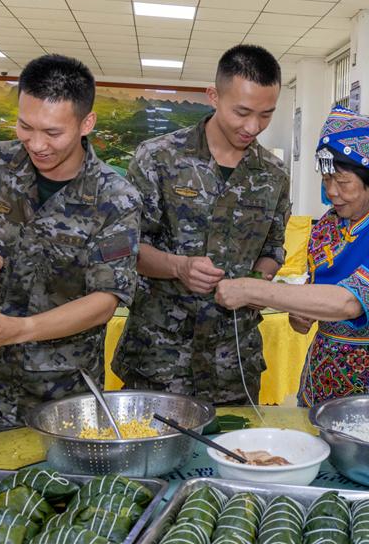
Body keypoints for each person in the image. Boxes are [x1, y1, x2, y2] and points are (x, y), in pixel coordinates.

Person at [0, 54, 141, 441]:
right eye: (25, 127)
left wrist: (17, 330)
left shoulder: (115, 198)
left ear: (86, 123)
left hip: (62, 390)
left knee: (54, 479)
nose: (36, 144)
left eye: (52, 132)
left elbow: (106, 299)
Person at [113, 44, 290, 405]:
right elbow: (122, 247)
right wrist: (178, 267)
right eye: (242, 112)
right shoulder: (159, 158)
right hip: (160, 360)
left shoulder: (273, 174)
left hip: (233, 362)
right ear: (214, 96)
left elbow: (273, 249)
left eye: (266, 115)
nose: (252, 127)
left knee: (235, 442)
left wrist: (256, 282)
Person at [216, 106, 369, 408]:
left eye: (343, 182)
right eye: (327, 179)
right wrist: (302, 314)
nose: (332, 192)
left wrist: (253, 289)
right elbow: (317, 294)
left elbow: (348, 302)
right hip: (326, 368)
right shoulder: (328, 224)